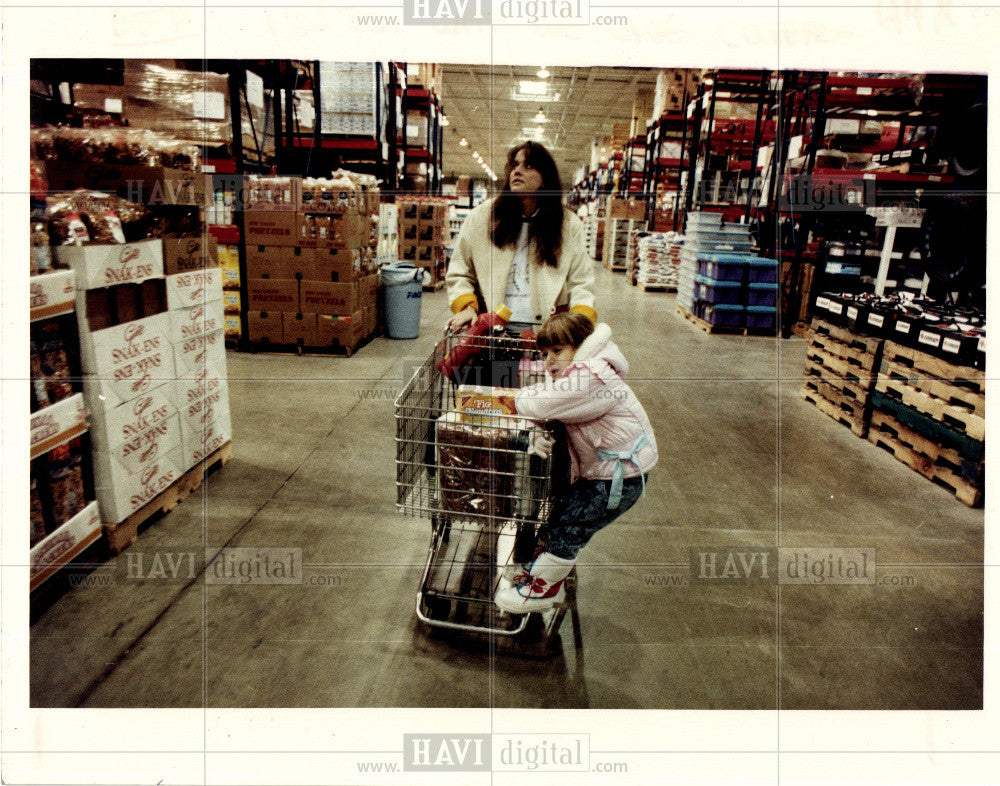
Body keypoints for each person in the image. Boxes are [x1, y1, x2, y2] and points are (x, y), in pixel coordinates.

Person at [495, 312, 658, 614]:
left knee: (569, 530)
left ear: (581, 346)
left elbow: (543, 404)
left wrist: (511, 398)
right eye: (544, 354)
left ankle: (539, 592)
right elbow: (548, 408)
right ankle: (541, 577)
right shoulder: (577, 375)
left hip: (620, 478)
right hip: (605, 474)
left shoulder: (592, 375)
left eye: (558, 351)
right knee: (560, 520)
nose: (549, 361)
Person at [445, 142, 597, 335]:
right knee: (500, 367)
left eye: (528, 166)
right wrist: (467, 306)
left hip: (547, 337)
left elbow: (581, 283)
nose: (517, 171)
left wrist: (576, 326)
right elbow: (459, 271)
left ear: (545, 178)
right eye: (515, 165)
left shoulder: (568, 225)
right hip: (493, 333)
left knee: (540, 368)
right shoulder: (482, 217)